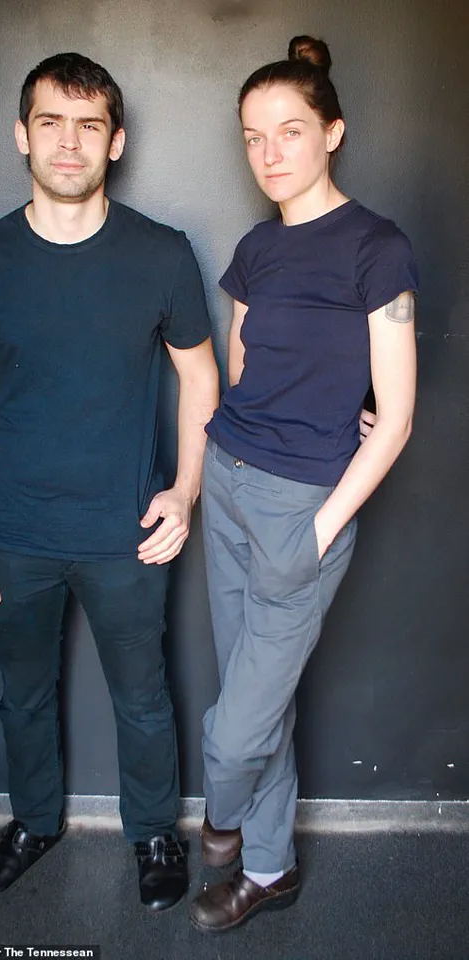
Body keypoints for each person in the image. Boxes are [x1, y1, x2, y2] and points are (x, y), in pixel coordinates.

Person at [0, 52, 219, 911]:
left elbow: (201, 378)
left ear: (115, 142)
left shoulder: (161, 254)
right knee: (24, 697)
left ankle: (154, 831)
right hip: (8, 534)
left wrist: (184, 490)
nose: (69, 142)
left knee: (144, 696)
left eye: (89, 126)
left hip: (125, 531)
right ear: (21, 135)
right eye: (50, 122)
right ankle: (35, 821)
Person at [190, 35, 418, 933]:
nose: (269, 153)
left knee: (233, 730)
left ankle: (223, 821)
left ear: (333, 132)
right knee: (264, 695)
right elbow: (245, 368)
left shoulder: (377, 247)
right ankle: (269, 867)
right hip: (228, 481)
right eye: (252, 136)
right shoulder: (255, 248)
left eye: (289, 130)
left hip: (302, 509)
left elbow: (396, 419)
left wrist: (320, 530)